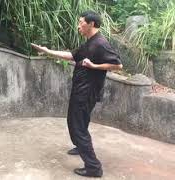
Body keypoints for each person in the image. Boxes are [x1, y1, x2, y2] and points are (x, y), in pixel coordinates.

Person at [31, 11, 122, 177]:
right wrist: (47, 51)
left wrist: (94, 66)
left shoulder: (100, 43)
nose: (78, 26)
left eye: (81, 23)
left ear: (91, 24)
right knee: (78, 122)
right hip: (81, 90)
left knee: (77, 126)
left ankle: (93, 167)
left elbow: (117, 65)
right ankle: (80, 147)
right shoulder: (89, 43)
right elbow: (72, 55)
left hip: (86, 93)